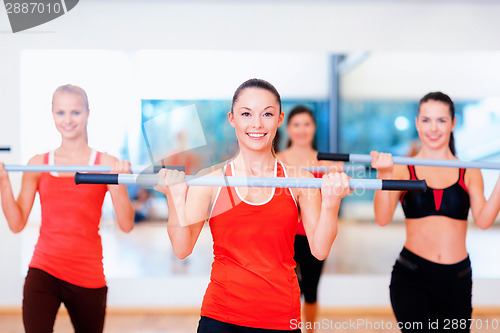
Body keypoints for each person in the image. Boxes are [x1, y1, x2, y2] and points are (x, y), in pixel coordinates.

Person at [154, 79, 351, 332]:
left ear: (279, 119)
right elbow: (181, 249)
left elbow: (320, 250)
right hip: (221, 316)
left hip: (281, 317)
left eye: (267, 114)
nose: (256, 124)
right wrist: (174, 197)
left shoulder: (299, 180)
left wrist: (332, 203)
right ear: (232, 118)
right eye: (246, 114)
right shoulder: (211, 180)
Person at [0, 84, 135, 333]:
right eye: (60, 112)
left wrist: (118, 182)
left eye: (75, 112)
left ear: (87, 113)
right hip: (44, 268)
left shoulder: (106, 164)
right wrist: (3, 182)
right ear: (52, 115)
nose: (68, 120)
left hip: (87, 272)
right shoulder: (37, 164)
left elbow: (126, 225)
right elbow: (17, 223)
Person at [371, 92, 500, 333]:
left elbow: (483, 221)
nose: (433, 128)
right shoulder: (402, 169)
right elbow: (382, 218)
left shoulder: (468, 171)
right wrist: (384, 174)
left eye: (441, 120)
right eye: (426, 120)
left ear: (453, 123)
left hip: (457, 279)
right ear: (418, 122)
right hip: (412, 278)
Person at [276, 105, 342, 333]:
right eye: (296, 124)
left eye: (307, 124)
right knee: (286, 293)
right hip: (284, 237)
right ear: (288, 128)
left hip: (315, 236)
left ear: (314, 128)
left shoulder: (327, 164)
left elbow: (334, 199)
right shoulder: (277, 161)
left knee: (311, 291)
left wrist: (339, 180)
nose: (302, 130)